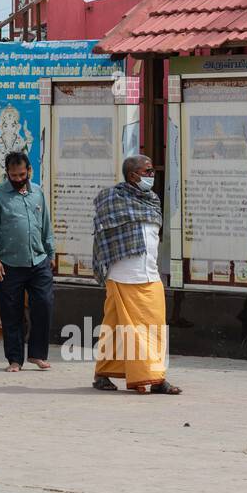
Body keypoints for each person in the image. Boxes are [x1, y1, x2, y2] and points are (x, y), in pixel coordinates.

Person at [91, 155, 181, 394]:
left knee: (155, 327)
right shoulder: (112, 199)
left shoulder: (151, 200)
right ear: (133, 175)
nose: (152, 175)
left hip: (150, 274)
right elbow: (103, 234)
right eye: (148, 171)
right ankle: (150, 378)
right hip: (123, 275)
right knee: (123, 329)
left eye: (152, 171)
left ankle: (150, 375)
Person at [0, 152, 56, 373]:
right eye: (13, 175)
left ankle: (37, 354)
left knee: (43, 305)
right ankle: (15, 359)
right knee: (11, 312)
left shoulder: (38, 194)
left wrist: (51, 254)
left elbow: (46, 225)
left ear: (29, 171)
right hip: (9, 263)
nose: (17, 179)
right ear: (7, 174)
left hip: (39, 260)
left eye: (21, 174)